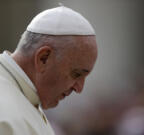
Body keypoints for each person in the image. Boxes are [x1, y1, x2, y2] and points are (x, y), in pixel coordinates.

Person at [0, 5, 97, 135]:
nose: (79, 89)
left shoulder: (24, 96)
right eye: (76, 74)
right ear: (43, 58)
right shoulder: (5, 115)